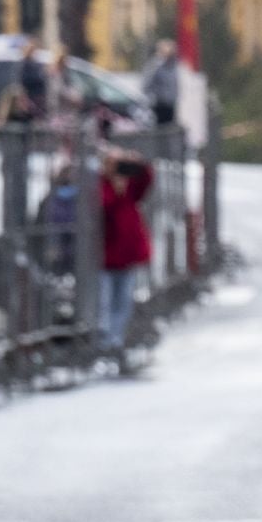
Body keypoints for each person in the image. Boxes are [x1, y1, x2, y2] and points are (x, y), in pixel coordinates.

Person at [98, 148, 154, 370]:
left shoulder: (130, 187)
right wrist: (116, 188)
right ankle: (103, 344)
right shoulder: (100, 185)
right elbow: (104, 208)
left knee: (123, 302)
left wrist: (138, 163)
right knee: (104, 302)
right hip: (104, 256)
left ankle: (116, 342)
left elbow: (147, 181)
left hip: (127, 255)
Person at [142, 40, 179, 127]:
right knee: (160, 129)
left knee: (169, 128)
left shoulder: (174, 67)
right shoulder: (156, 66)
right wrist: (155, 96)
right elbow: (147, 85)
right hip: (159, 105)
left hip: (171, 104)